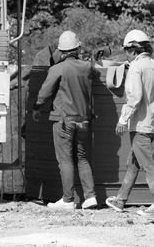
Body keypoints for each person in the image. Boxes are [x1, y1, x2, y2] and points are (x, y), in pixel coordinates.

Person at [105, 29, 154, 216]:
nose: (126, 53)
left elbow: (134, 97)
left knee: (148, 165)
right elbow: (147, 83)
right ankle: (120, 200)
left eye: (127, 50)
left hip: (139, 124)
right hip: (152, 122)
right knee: (133, 163)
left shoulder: (135, 67)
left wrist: (123, 120)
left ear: (133, 49)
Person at [32, 30, 97, 210]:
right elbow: (96, 75)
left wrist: (37, 108)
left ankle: (68, 200)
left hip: (64, 121)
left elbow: (44, 93)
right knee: (83, 159)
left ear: (61, 51)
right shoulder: (88, 68)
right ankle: (90, 197)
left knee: (66, 160)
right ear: (77, 48)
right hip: (84, 120)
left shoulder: (57, 69)